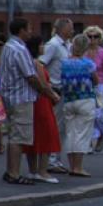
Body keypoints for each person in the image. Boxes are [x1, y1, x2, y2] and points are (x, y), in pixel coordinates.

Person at [0, 19, 58, 185]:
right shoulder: (19, 49)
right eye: (29, 29)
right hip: (21, 98)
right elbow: (30, 76)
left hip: (10, 96)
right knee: (19, 137)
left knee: (13, 135)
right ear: (21, 30)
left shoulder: (8, 47)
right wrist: (46, 92)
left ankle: (11, 171)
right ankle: (14, 173)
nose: (31, 32)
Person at [22, 35, 63, 183]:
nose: (43, 47)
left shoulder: (28, 62)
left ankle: (33, 170)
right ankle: (43, 171)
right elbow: (43, 84)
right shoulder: (37, 64)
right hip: (42, 101)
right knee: (47, 134)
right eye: (41, 44)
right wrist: (53, 96)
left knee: (34, 136)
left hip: (33, 101)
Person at [59, 34, 97, 177]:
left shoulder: (64, 63)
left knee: (70, 134)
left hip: (68, 100)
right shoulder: (88, 64)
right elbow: (96, 80)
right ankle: (78, 167)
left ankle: (71, 166)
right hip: (85, 99)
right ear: (86, 48)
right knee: (82, 134)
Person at [40, 17, 74, 174]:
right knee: (54, 126)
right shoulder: (53, 45)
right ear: (62, 29)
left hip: (65, 90)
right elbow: (40, 65)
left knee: (61, 128)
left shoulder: (67, 45)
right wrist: (48, 87)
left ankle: (56, 158)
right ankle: (51, 160)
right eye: (70, 27)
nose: (72, 30)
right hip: (55, 90)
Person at [84, 26, 103, 153]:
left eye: (96, 36)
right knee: (88, 115)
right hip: (86, 86)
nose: (92, 39)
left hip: (100, 86)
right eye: (90, 36)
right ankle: (88, 142)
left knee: (99, 116)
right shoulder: (83, 52)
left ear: (100, 39)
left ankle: (102, 135)